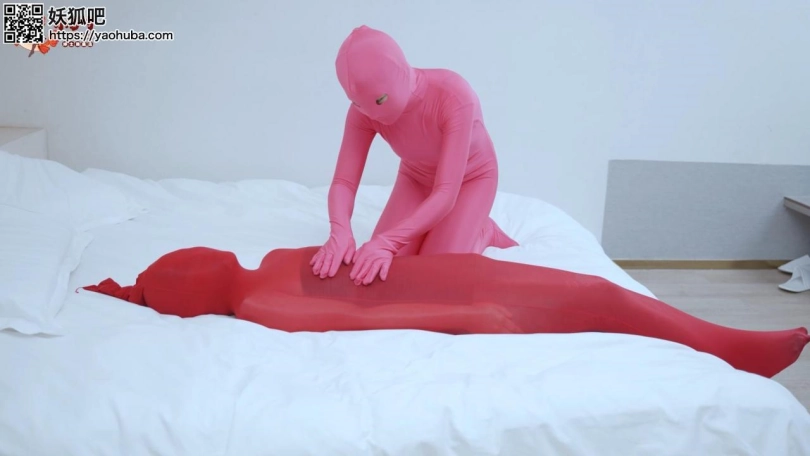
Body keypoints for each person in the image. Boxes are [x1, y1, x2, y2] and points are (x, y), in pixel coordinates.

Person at [83, 246, 809, 379]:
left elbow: (356, 259)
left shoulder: (266, 262)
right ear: (195, 292)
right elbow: (364, 320)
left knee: (595, 292)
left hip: (447, 270)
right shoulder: (259, 301)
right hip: (458, 293)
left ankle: (730, 343)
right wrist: (469, 315)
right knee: (601, 300)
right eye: (183, 267)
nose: (204, 255)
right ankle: (734, 348)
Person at [311, 25, 518, 286]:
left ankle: (483, 230)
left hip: (470, 180)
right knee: (382, 272)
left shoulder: (453, 96)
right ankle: (442, 231)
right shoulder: (362, 112)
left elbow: (446, 193)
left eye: (380, 100)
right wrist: (340, 230)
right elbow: (344, 182)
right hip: (416, 178)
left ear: (399, 74)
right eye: (357, 103)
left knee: (436, 274)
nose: (372, 114)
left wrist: (387, 241)